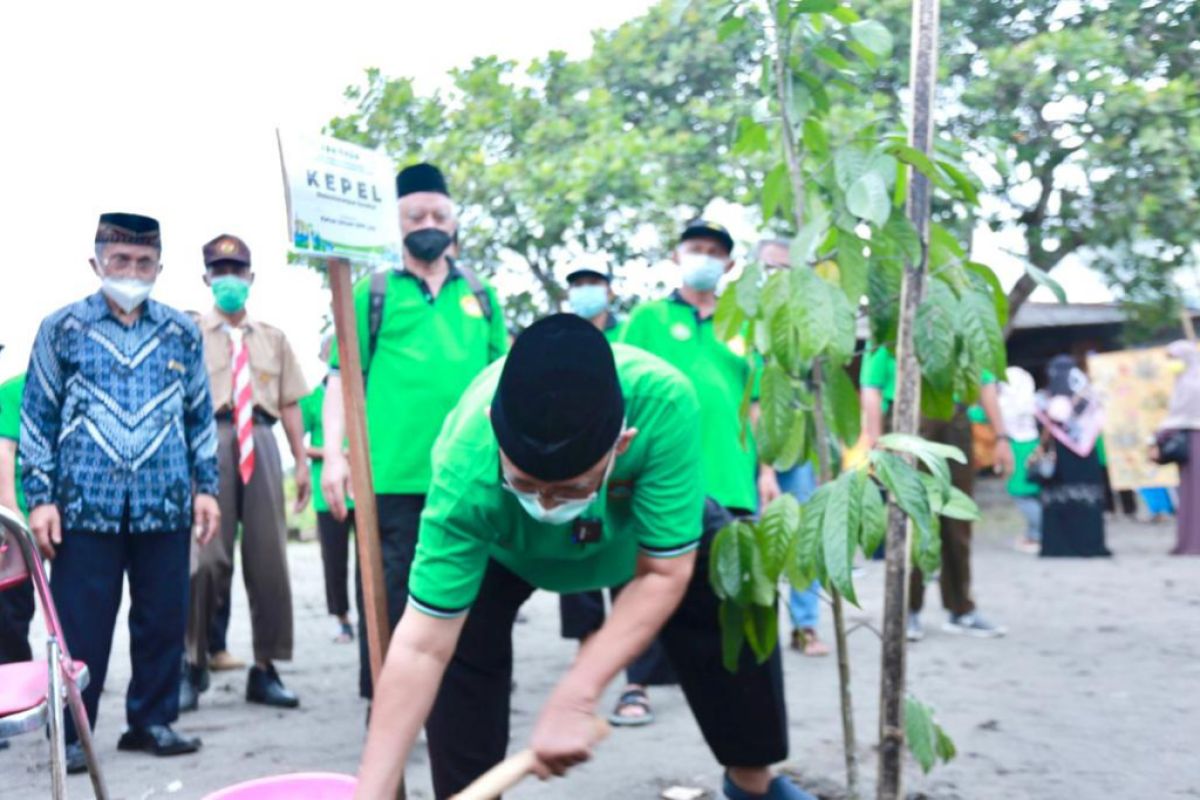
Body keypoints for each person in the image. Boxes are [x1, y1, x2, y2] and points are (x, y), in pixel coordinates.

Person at [356, 315, 813, 800]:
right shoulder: (464, 461)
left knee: (735, 578)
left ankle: (752, 784)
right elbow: (421, 645)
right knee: (461, 655)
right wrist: (370, 791)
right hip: (504, 551)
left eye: (572, 487)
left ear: (623, 443)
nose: (548, 505)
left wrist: (577, 692)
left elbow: (665, 571)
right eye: (527, 484)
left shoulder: (663, 403)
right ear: (494, 429)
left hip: (634, 537)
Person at [20, 213, 220, 772]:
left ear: (159, 267)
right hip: (84, 506)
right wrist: (40, 498)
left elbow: (200, 415)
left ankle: (152, 722)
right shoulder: (61, 328)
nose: (132, 270)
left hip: (166, 502)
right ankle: (76, 733)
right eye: (121, 260)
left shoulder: (181, 332)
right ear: (97, 263)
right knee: (81, 625)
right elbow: (38, 418)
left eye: (143, 262)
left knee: (161, 619)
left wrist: (208, 488)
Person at [321, 162, 509, 699]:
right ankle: (386, 704)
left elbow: (503, 379)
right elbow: (342, 376)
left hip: (469, 476)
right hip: (389, 480)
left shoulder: (483, 294)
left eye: (438, 213)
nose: (428, 221)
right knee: (388, 599)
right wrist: (335, 456)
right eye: (415, 214)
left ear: (454, 222)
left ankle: (454, 703)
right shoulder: (372, 292)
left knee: (471, 596)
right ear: (395, 223)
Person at [180, 234, 310, 712]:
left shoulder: (273, 337)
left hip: (262, 438)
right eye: (220, 271)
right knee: (205, 559)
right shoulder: (188, 332)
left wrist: (302, 465)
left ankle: (266, 667)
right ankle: (192, 664)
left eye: (237, 271)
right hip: (208, 442)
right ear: (206, 279)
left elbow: (291, 403)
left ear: (251, 278)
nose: (229, 279)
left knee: (268, 559)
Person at [559, 264, 676, 725]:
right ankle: (587, 671)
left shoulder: (632, 334)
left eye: (593, 284)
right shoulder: (558, 338)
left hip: (627, 468)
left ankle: (636, 683)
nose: (586, 291)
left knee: (632, 572)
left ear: (609, 291)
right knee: (578, 572)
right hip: (574, 471)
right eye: (577, 285)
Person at [860, 345, 1011, 641]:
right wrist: (877, 443)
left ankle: (961, 608)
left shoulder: (961, 323)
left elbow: (986, 383)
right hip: (907, 419)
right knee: (913, 518)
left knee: (959, 519)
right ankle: (908, 610)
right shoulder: (892, 322)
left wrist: (1001, 437)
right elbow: (871, 387)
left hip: (956, 420)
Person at [756, 239, 828, 657]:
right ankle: (758, 625)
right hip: (748, 444)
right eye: (771, 268)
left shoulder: (804, 323)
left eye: (786, 269)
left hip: (796, 445)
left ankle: (805, 626)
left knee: (803, 535)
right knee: (748, 531)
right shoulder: (744, 319)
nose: (778, 277)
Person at [300, 335, 356, 641]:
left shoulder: (364, 393)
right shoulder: (311, 399)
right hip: (328, 495)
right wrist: (333, 454)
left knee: (370, 561)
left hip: (361, 493)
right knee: (334, 560)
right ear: (323, 357)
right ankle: (343, 619)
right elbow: (299, 445)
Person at [1033, 354, 1110, 557]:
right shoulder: (1089, 399)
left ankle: (1059, 546)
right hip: (1086, 459)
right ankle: (1090, 545)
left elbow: (1044, 426)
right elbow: (1100, 421)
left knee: (1059, 501)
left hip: (1060, 458)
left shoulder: (1044, 400)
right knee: (1087, 500)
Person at [0, 361, 35, 675]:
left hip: (58, 514)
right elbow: (4, 453)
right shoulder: (12, 391)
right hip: (15, 519)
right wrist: (13, 521)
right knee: (12, 607)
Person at [1157, 340, 1200, 554]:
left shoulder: (1192, 384)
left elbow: (1180, 416)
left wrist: (1158, 435)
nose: (1173, 363)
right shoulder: (1184, 380)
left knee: (1194, 492)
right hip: (1190, 440)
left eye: (1175, 358)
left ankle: (1193, 542)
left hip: (1195, 438)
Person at [998, 367, 1043, 554]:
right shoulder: (1034, 402)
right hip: (1033, 445)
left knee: (1021, 494)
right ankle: (1034, 533)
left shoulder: (1004, 405)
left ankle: (1037, 535)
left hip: (1015, 447)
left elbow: (981, 415)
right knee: (1032, 494)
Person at [565, 266, 624, 340]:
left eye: (593, 282)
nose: (585, 290)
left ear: (610, 293)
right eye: (578, 284)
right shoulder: (560, 338)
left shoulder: (627, 330)